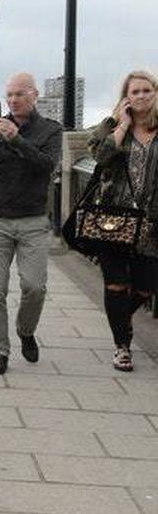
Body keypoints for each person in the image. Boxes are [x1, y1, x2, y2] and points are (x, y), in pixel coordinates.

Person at [0, 72, 63, 375]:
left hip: (33, 220)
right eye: (9, 95)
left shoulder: (50, 130)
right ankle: (0, 351)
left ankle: (25, 330)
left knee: (34, 287)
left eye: (20, 94)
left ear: (34, 96)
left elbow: (46, 165)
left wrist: (16, 139)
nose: (13, 100)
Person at [87, 70, 158, 372]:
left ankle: (121, 318)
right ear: (125, 97)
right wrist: (122, 126)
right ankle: (122, 346)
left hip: (152, 224)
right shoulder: (111, 125)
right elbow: (100, 156)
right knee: (116, 285)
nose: (141, 96)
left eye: (146, 90)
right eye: (134, 92)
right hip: (113, 219)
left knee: (145, 287)